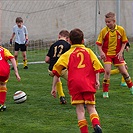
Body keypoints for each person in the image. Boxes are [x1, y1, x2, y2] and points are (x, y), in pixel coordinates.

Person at [51, 28, 104, 133]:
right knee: (91, 107)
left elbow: (56, 70)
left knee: (80, 110)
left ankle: (84, 131)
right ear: (83, 40)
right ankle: (96, 124)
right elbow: (97, 66)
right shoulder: (89, 51)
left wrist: (53, 88)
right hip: (88, 83)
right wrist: (97, 80)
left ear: (69, 41)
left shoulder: (68, 54)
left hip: (75, 84)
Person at [96, 12, 133, 98]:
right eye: (106, 22)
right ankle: (105, 92)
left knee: (124, 72)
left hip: (117, 55)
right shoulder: (104, 31)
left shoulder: (120, 30)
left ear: (114, 21)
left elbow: (124, 42)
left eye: (109, 22)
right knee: (107, 71)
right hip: (107, 54)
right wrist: (101, 52)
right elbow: (98, 43)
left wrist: (121, 52)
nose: (107, 24)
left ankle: (131, 88)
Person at [45, 30, 70, 104]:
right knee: (73, 80)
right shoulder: (68, 45)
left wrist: (53, 61)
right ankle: (75, 97)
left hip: (51, 69)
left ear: (59, 36)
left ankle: (61, 96)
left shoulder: (53, 45)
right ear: (67, 38)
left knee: (57, 77)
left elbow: (46, 60)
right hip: (63, 69)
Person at [0, 45, 21, 111]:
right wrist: (16, 72)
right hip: (4, 71)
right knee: (2, 84)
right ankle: (1, 104)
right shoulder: (3, 50)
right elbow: (12, 58)